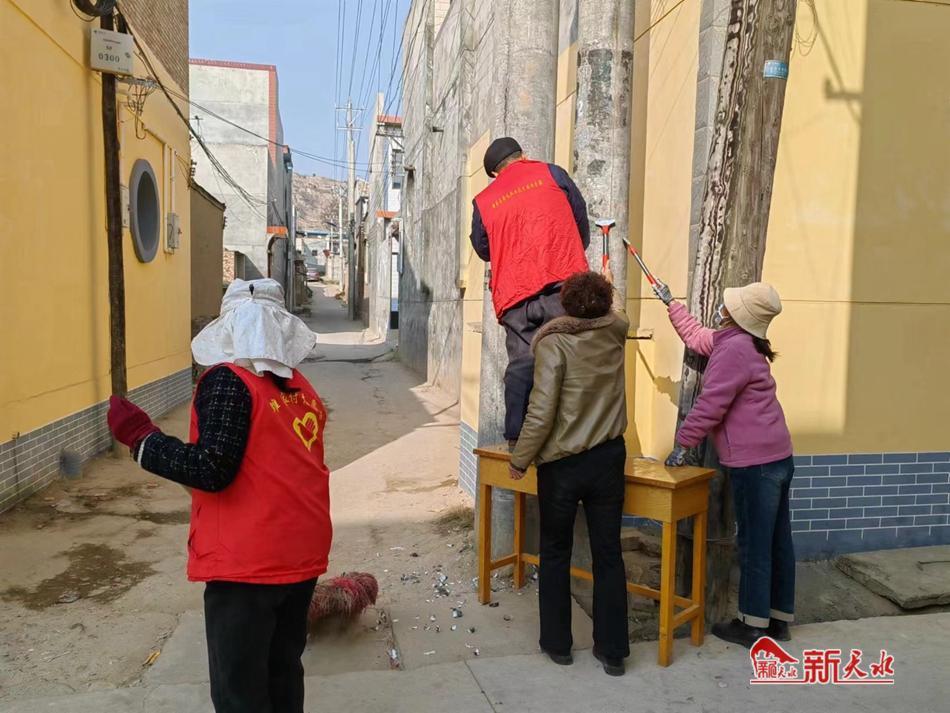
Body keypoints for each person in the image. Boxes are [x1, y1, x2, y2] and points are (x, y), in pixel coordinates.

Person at [106, 279, 331, 713]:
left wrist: (143, 439)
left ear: (227, 326)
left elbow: (212, 469)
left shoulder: (228, 380)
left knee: (240, 693)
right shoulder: (299, 387)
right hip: (302, 553)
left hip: (248, 566)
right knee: (283, 674)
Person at [654, 279, 795, 648]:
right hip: (778, 455)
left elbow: (711, 404)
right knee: (778, 540)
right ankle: (778, 620)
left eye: (730, 304)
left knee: (754, 544)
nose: (723, 306)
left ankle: (752, 625)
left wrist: (683, 443)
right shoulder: (739, 342)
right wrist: (671, 305)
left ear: (736, 314)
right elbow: (697, 337)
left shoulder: (733, 351)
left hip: (756, 464)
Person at [509, 270, 630, 676]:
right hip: (609, 457)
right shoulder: (616, 332)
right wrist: (608, 284)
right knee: (608, 553)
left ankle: (558, 644)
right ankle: (613, 652)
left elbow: (541, 412)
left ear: (565, 305)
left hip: (562, 464)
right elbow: (619, 311)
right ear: (606, 303)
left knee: (555, 552)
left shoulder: (554, 343)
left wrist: (520, 458)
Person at [470, 137, 591, 444]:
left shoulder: (483, 201)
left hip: (515, 296)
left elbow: (483, 249)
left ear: (494, 173)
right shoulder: (552, 173)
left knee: (522, 364)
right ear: (523, 155)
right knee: (569, 358)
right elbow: (579, 221)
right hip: (562, 285)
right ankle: (573, 437)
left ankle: (516, 437)